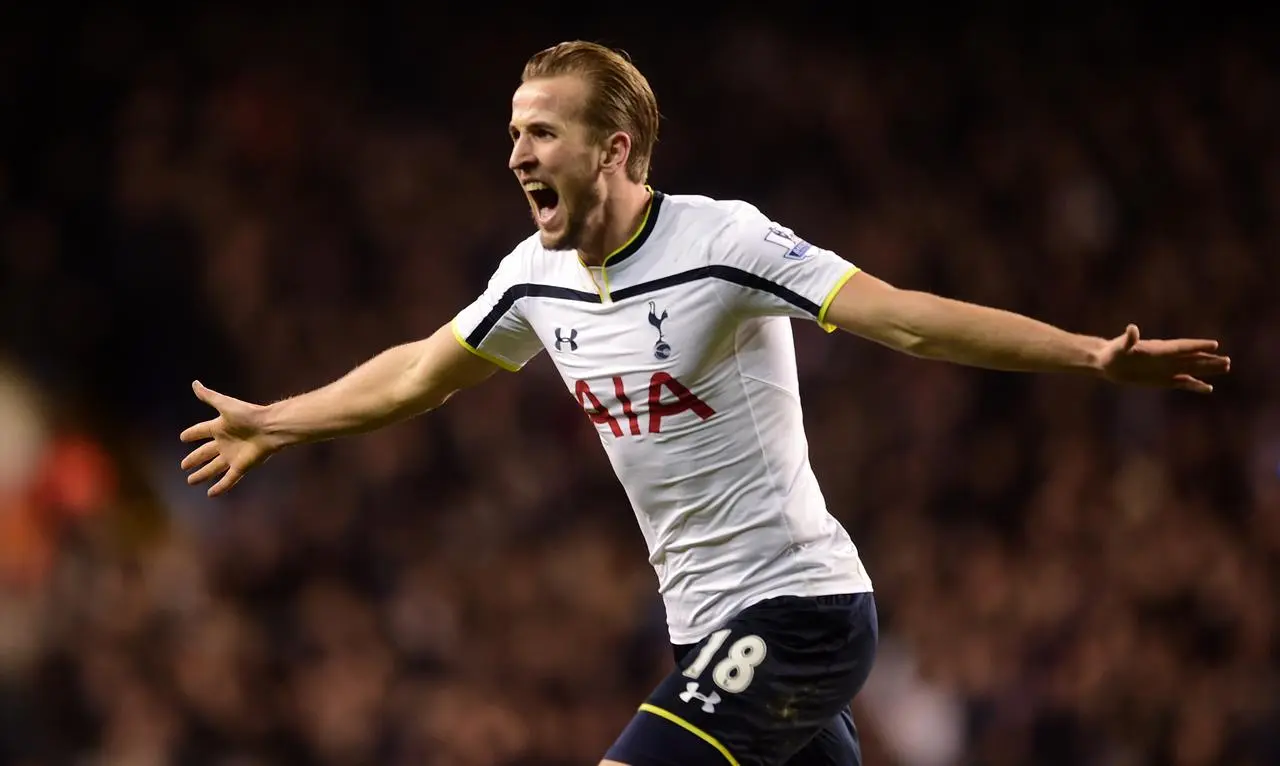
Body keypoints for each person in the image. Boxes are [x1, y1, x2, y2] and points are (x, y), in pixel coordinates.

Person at [178, 41, 1231, 766]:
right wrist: (278, 420)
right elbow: (416, 371)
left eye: (541, 132)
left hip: (800, 610)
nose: (515, 154)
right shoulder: (530, 278)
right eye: (512, 133)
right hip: (703, 632)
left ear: (614, 148)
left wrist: (1089, 355)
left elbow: (902, 316)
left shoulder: (721, 243)